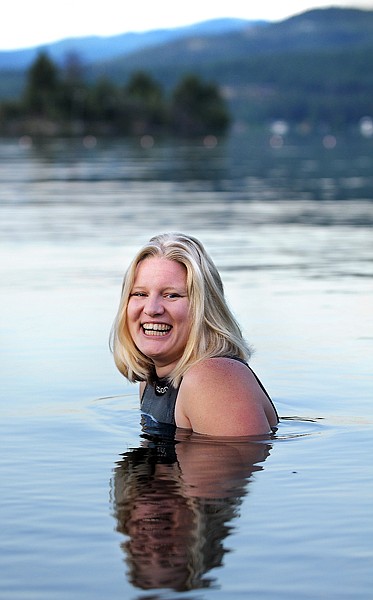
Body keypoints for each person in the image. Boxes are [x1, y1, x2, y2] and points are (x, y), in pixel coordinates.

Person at [111, 232, 278, 436]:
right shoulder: (151, 378)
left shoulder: (212, 378)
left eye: (172, 295)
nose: (152, 309)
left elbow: (228, 466)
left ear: (205, 309)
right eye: (140, 294)